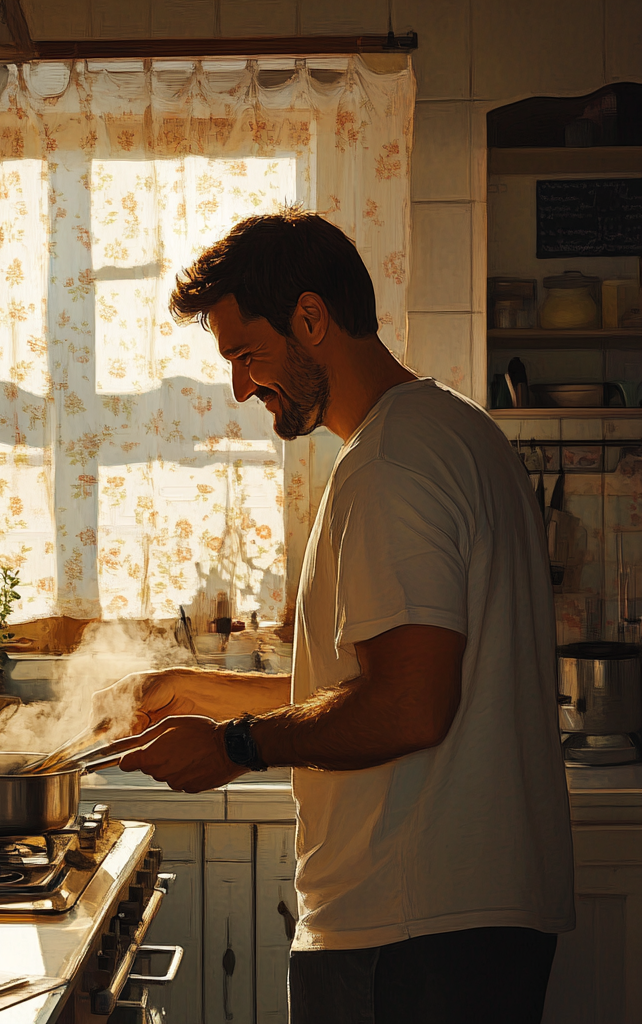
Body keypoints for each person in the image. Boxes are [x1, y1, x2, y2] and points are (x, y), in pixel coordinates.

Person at [97, 210, 575, 1024]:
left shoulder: (388, 466)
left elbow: (409, 704)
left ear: (311, 319)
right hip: (474, 919)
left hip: (411, 927)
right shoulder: (459, 433)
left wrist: (234, 747)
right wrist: (197, 689)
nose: (242, 387)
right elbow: (365, 681)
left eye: (248, 354)